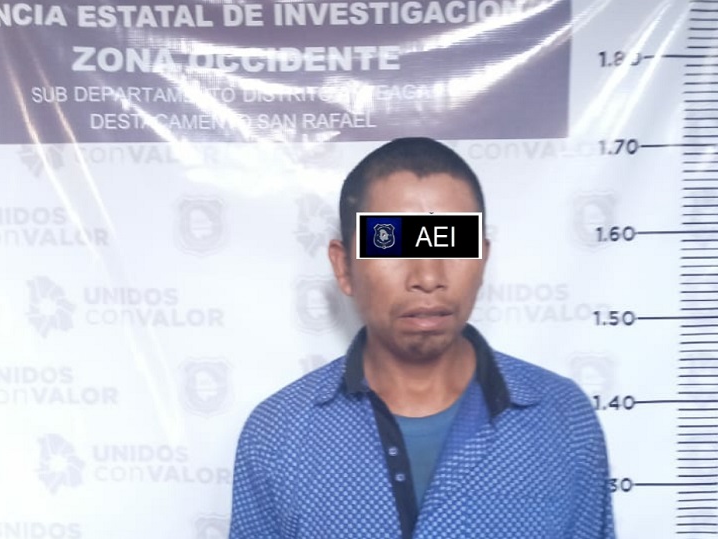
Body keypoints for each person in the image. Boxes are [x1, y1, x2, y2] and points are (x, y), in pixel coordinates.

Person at [230, 137, 615, 538]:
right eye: (391, 242)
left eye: (452, 242)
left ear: (482, 259)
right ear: (344, 267)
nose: (428, 277)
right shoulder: (277, 435)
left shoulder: (563, 419)